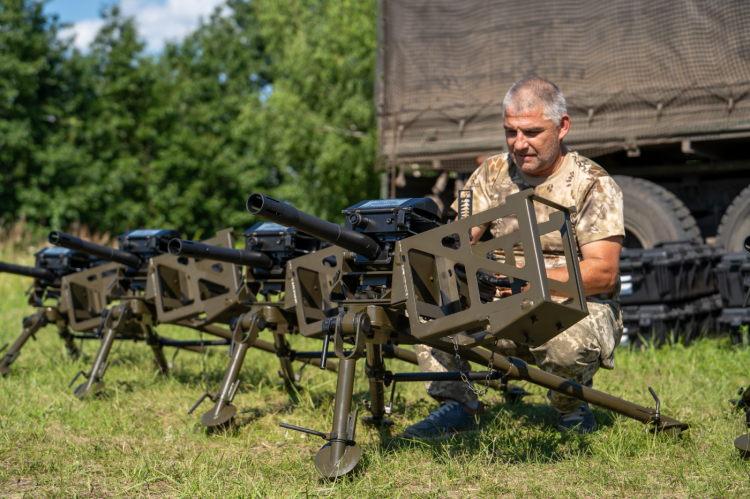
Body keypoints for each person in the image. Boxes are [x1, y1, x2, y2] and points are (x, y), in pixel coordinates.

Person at [403, 77, 625, 439]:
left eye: (533, 132)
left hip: (576, 302)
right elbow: (458, 240)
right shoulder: (492, 174)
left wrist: (528, 278)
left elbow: (604, 274)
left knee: (564, 346)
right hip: (498, 299)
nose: (519, 144)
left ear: (562, 126)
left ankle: (570, 408)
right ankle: (463, 405)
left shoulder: (592, 183)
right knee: (430, 311)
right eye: (511, 132)